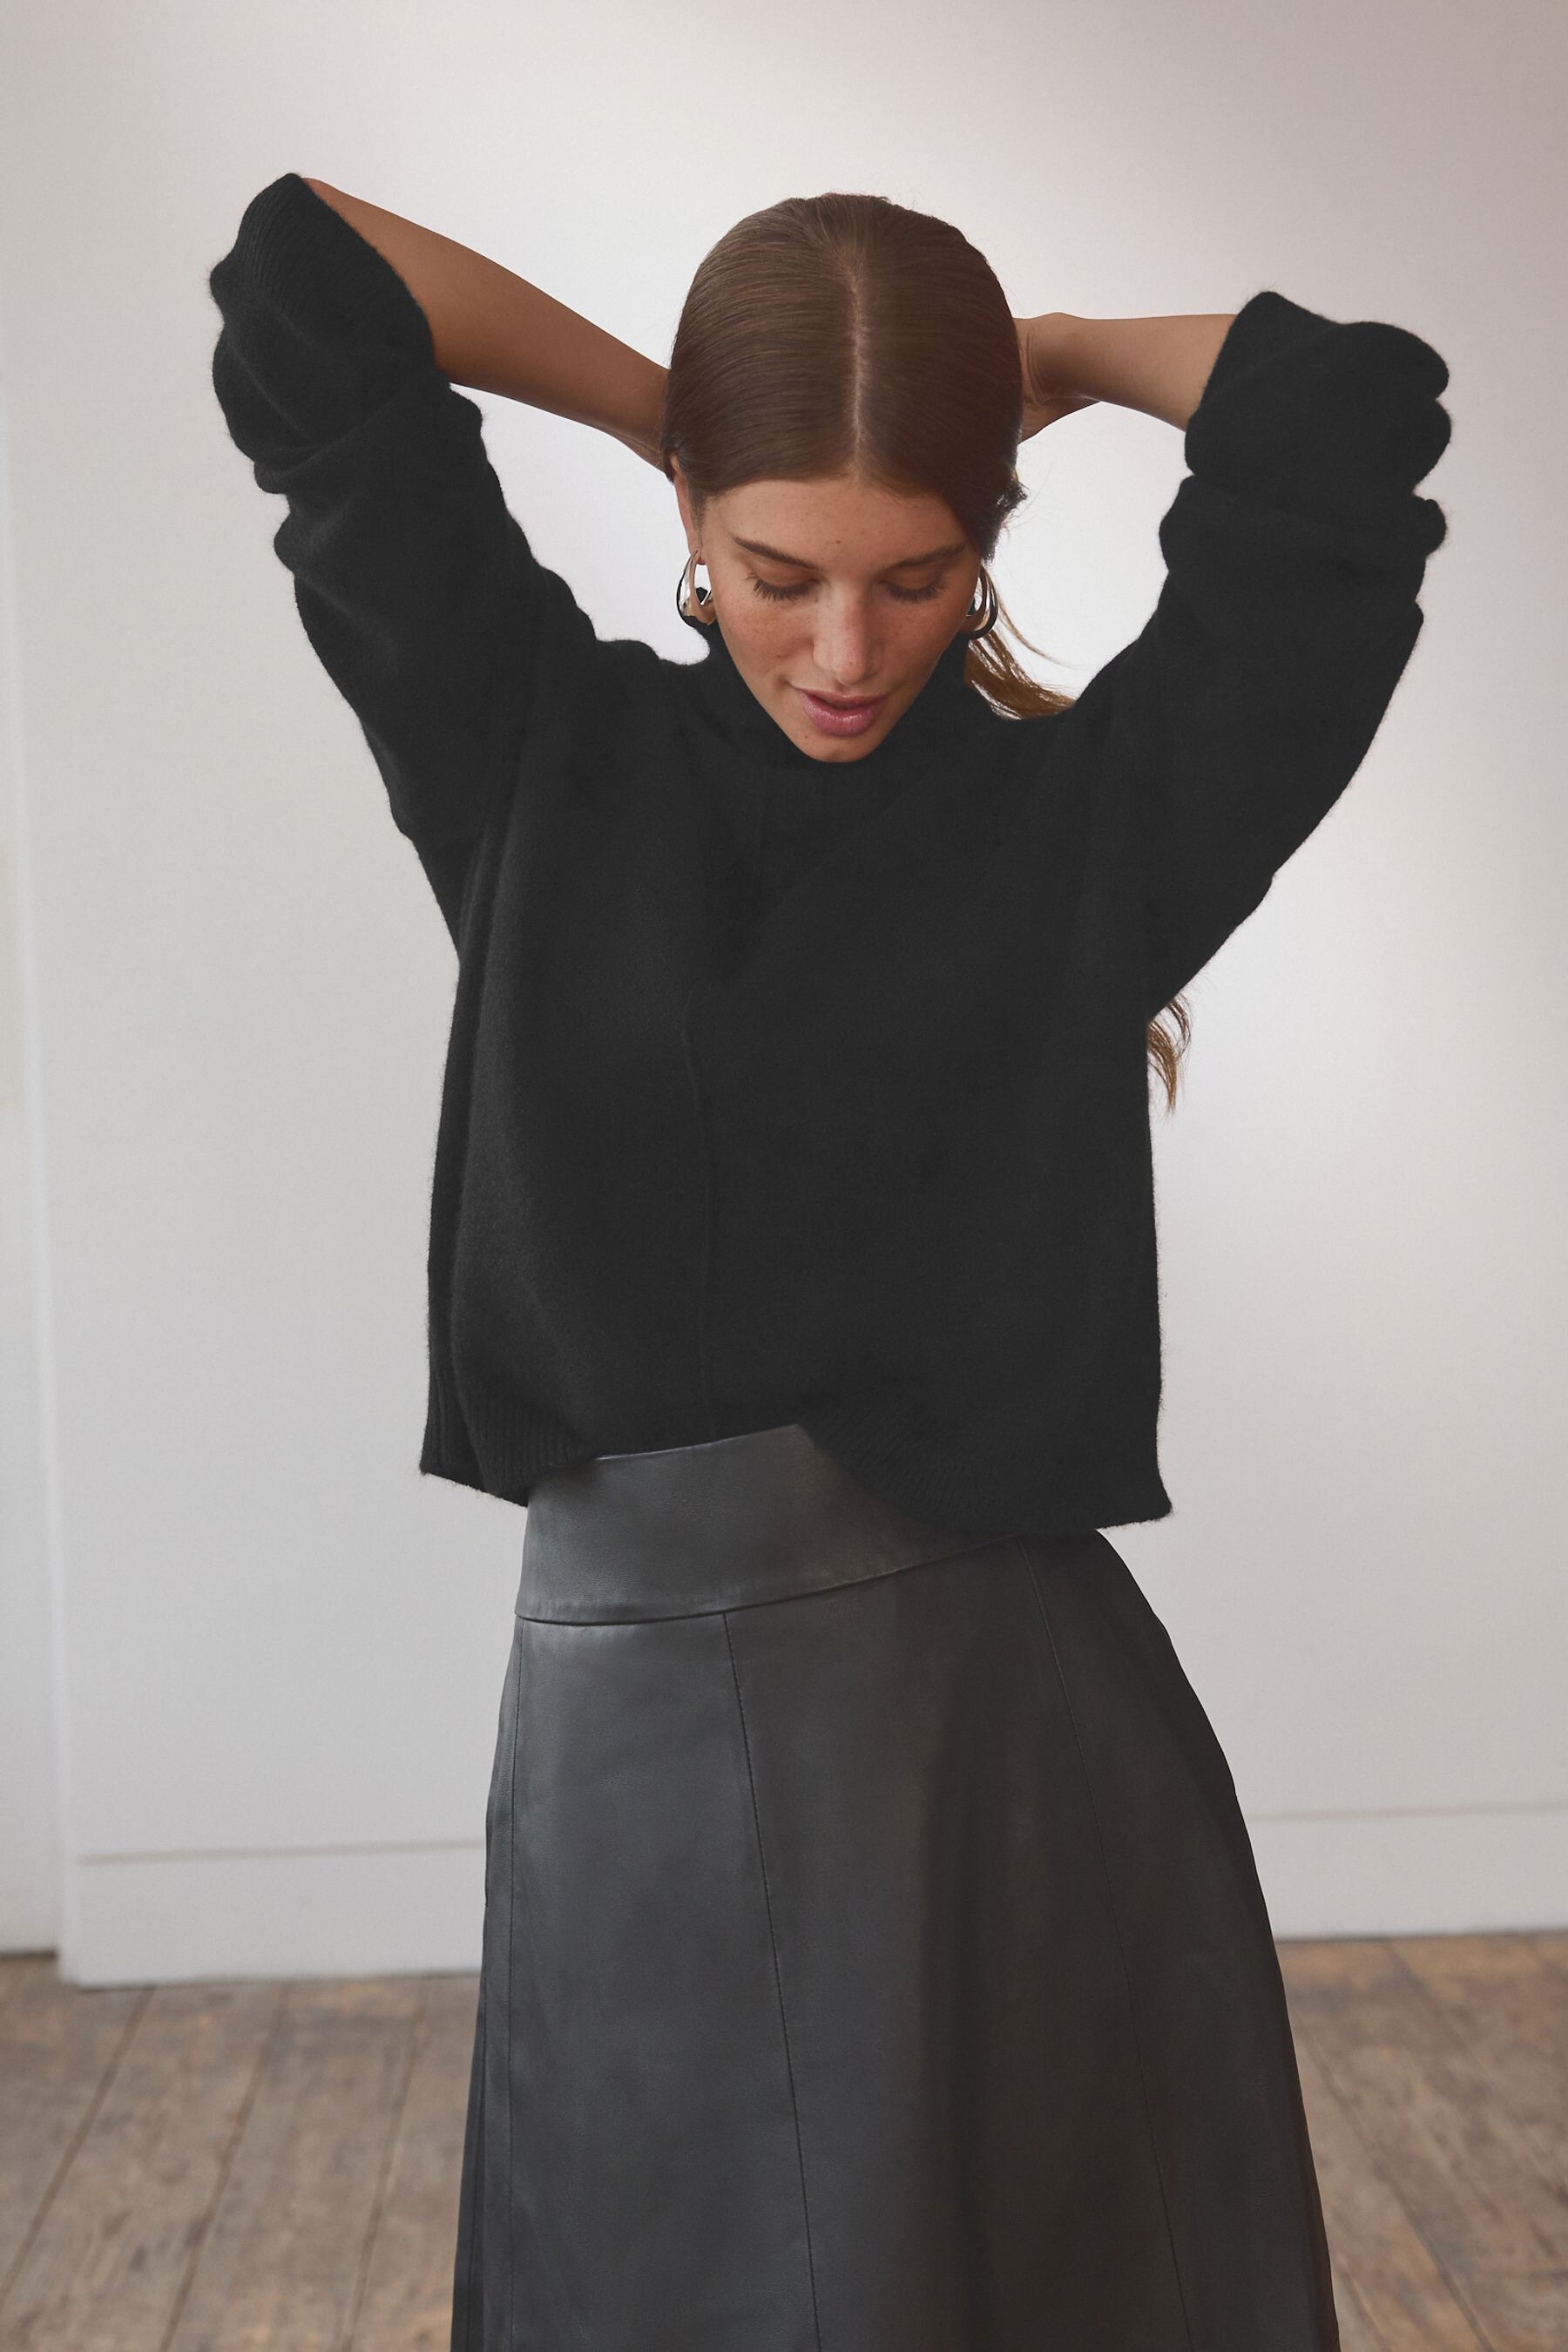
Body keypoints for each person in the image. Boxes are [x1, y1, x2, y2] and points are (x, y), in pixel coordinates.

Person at [206, 170, 1450, 2351]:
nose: (850, 652)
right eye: (781, 575)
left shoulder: (1094, 820)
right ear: (697, 527)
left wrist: (1051, 360)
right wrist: (669, 411)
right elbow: (311, 273)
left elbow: (1347, 424)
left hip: (1003, 1755)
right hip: (629, 1727)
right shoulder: (524, 744)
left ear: (990, 545)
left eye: (919, 573)